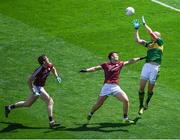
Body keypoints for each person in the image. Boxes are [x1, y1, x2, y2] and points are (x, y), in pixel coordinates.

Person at [80, 52, 146, 123]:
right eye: (116, 55)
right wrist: (86, 70)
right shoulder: (106, 65)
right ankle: (90, 113)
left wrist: (141, 58)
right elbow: (96, 68)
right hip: (106, 87)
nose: (117, 56)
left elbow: (130, 61)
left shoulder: (120, 64)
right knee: (99, 104)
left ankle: (125, 118)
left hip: (115, 87)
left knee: (126, 100)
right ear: (111, 57)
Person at [5, 55, 62, 129]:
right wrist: (33, 91)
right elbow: (29, 81)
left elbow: (53, 69)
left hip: (41, 87)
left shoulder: (49, 65)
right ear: (44, 62)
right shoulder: (39, 70)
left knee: (27, 104)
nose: (48, 59)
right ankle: (51, 122)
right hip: (36, 87)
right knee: (50, 101)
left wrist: (57, 76)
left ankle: (9, 107)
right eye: (47, 58)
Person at [133, 16, 164, 115]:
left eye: (155, 35)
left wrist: (144, 24)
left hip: (155, 68)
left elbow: (151, 33)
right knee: (141, 88)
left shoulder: (160, 43)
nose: (152, 35)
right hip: (147, 66)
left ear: (158, 37)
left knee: (150, 90)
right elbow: (137, 40)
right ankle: (141, 106)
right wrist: (136, 29)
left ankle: (147, 102)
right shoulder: (149, 44)